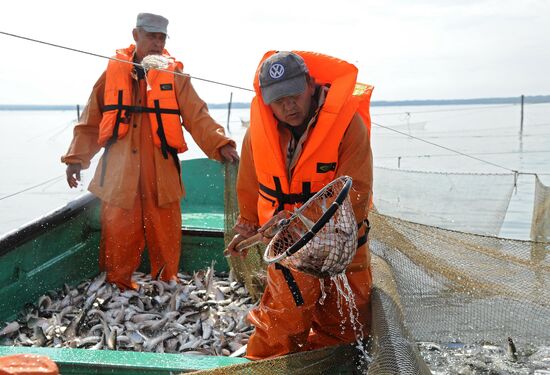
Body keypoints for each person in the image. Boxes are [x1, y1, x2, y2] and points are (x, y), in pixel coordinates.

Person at [62, 13, 239, 290]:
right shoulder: (112, 73)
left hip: (161, 169)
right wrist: (75, 159)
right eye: (151, 36)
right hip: (120, 173)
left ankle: (166, 283)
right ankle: (117, 282)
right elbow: (91, 119)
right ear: (136, 35)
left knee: (165, 228)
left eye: (162, 38)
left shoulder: (174, 75)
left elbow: (197, 115)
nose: (157, 43)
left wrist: (221, 143)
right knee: (119, 226)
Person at [226, 50, 374, 359]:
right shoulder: (258, 134)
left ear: (310, 84)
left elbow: (356, 194)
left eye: (293, 95)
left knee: (344, 331)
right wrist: (247, 226)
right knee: (279, 329)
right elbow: (250, 186)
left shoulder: (349, 127)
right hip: (288, 254)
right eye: (278, 101)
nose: (287, 106)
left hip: (343, 248)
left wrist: (300, 224)